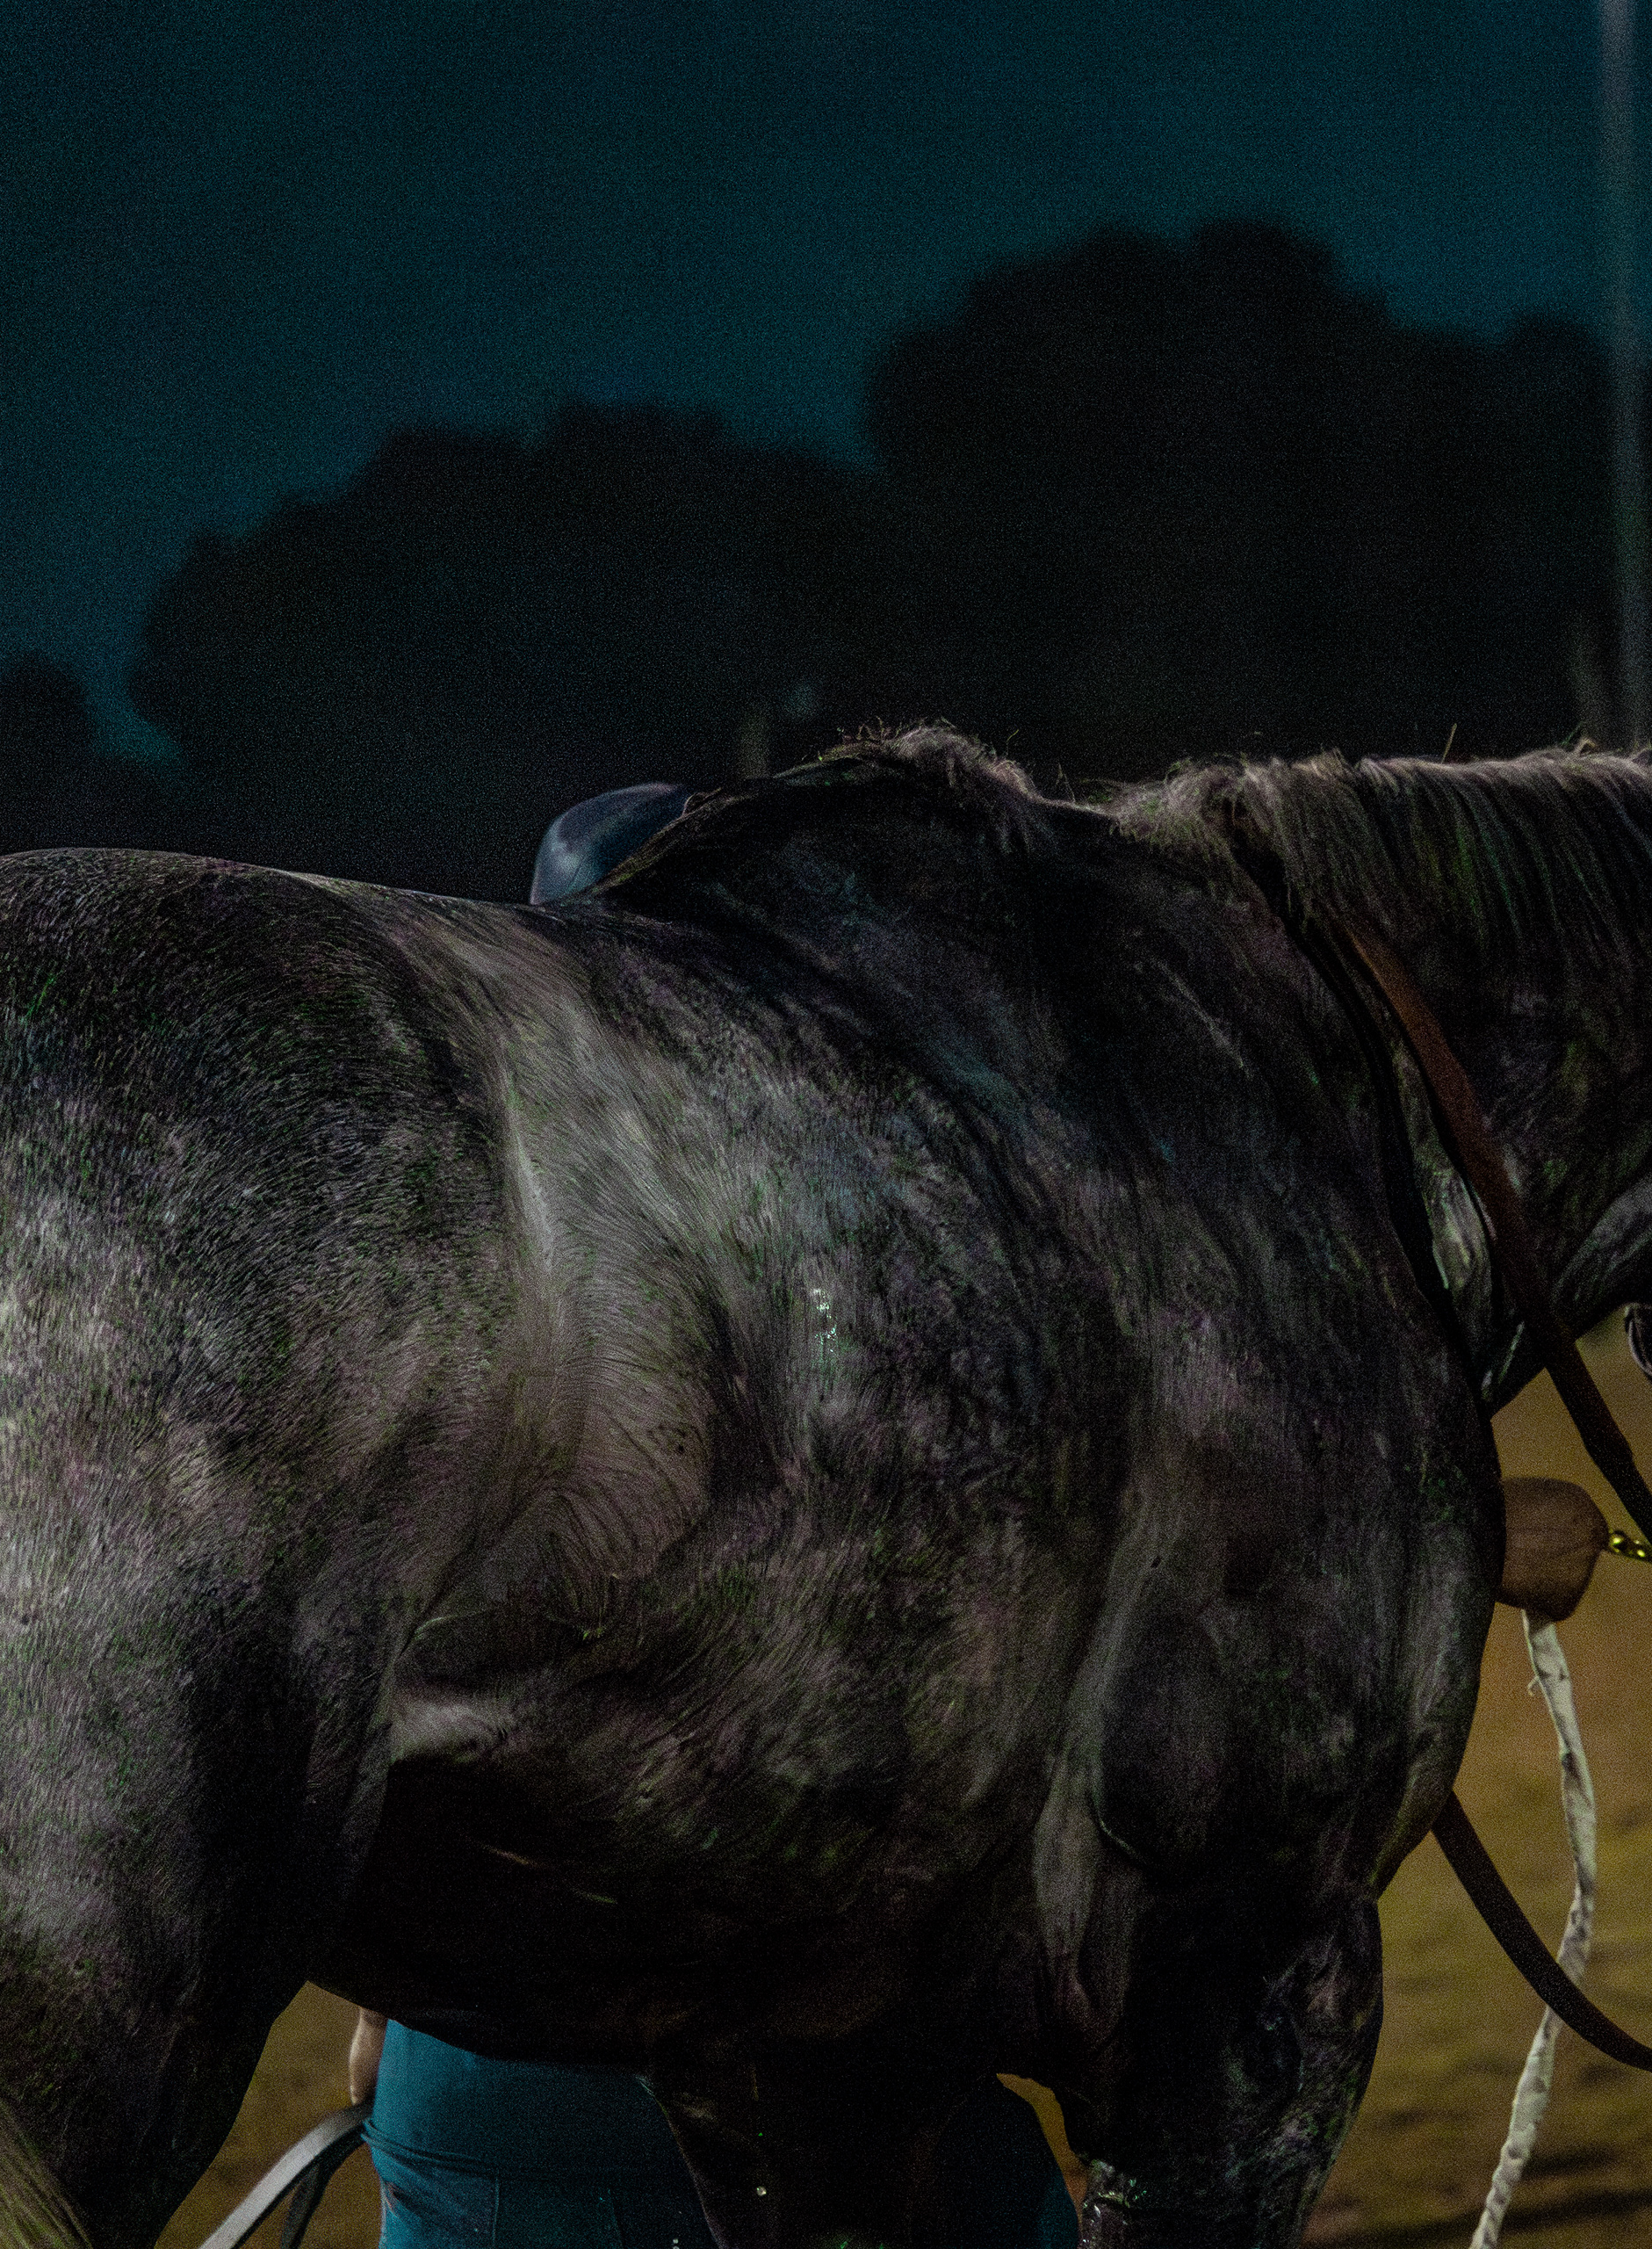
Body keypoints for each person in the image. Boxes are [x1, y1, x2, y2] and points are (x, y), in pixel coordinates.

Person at [344, 778, 1078, 2249]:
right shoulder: (885, 1291)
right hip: (785, 2102)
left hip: (463, 2094)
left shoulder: (420, 1284)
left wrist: (385, 2026)